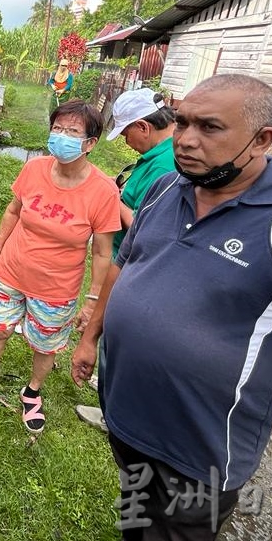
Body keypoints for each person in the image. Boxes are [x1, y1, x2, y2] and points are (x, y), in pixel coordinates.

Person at [71, 74, 272, 541]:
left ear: (263, 139)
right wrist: (90, 336)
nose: (185, 139)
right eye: (181, 121)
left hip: (198, 450)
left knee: (172, 535)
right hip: (128, 416)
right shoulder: (166, 189)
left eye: (209, 127)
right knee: (138, 514)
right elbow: (126, 263)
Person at [0, 100, 120, 433]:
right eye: (57, 129)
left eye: (72, 131)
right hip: (11, 270)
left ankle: (32, 392)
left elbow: (103, 252)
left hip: (56, 287)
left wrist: (92, 300)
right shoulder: (34, 169)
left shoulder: (104, 191)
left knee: (45, 345)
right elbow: (12, 211)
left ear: (90, 144)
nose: (61, 136)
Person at [74, 87, 175, 433]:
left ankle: (114, 411)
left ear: (144, 127)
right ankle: (109, 385)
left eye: (127, 133)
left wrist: (108, 198)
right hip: (125, 256)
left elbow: (143, 224)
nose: (127, 142)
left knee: (119, 327)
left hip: (134, 261)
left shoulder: (166, 166)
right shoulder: (158, 157)